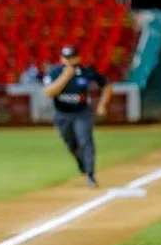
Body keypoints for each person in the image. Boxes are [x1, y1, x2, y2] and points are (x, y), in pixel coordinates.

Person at [43, 46, 112, 188]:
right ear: (61, 59)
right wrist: (66, 76)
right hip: (62, 114)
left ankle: (91, 175)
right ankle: (81, 162)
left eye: (72, 57)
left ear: (78, 58)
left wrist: (102, 105)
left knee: (85, 140)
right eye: (66, 58)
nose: (69, 61)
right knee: (71, 144)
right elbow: (49, 92)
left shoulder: (86, 72)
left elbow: (106, 85)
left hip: (82, 113)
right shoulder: (55, 73)